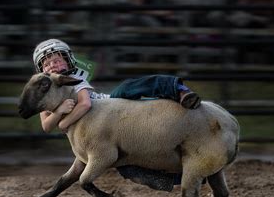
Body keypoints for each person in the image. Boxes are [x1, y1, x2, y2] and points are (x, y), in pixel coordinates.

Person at [33, 38, 201, 133]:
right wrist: (60, 111)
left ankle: (179, 90)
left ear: (67, 60)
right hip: (95, 127)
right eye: (46, 64)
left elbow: (85, 103)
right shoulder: (45, 95)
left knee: (128, 88)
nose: (52, 66)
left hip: (108, 106)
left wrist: (63, 123)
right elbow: (46, 126)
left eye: (56, 60)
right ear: (41, 70)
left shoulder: (74, 77)